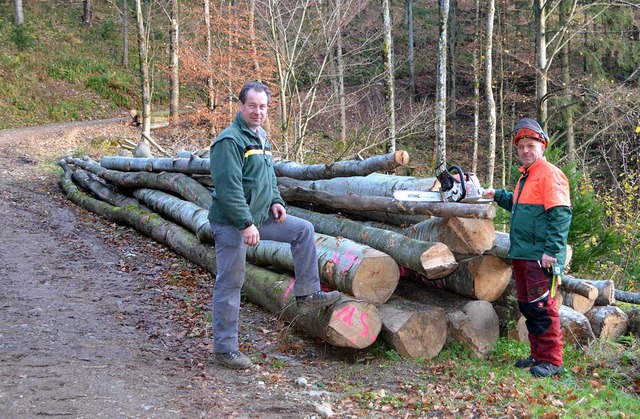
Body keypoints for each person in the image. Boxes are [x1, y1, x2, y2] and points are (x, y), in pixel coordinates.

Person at [208, 81, 341, 370]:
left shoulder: (261, 137)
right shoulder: (229, 141)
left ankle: (307, 294)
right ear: (241, 106)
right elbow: (229, 189)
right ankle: (225, 349)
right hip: (232, 223)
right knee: (231, 282)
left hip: (259, 216)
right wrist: (245, 224)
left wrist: (276, 201)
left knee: (302, 230)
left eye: (263, 107)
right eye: (252, 106)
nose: (258, 111)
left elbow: (267, 179)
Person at [483, 118, 572, 378]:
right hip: (522, 253)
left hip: (539, 256)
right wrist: (498, 195)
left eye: (530, 145)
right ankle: (537, 355)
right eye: (521, 146)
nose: (524, 150)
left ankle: (552, 360)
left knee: (543, 306)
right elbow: (521, 207)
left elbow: (561, 215)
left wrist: (552, 252)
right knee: (528, 306)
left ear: (541, 146)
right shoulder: (526, 176)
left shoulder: (550, 174)